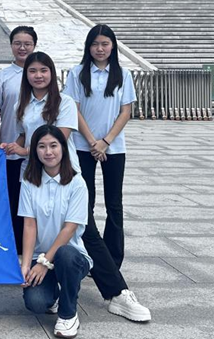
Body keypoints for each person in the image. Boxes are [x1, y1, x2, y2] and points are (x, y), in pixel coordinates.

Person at [65, 25, 151, 322]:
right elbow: (74, 109)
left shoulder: (122, 74)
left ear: (113, 46)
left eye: (105, 44)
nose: (100, 49)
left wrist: (106, 141)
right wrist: (92, 141)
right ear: (88, 47)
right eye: (95, 44)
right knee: (84, 205)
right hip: (82, 145)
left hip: (113, 147)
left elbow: (126, 111)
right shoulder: (77, 73)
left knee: (114, 204)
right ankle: (91, 257)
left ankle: (113, 261)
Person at [19, 125, 92, 339]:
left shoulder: (77, 183)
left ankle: (68, 315)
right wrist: (26, 265)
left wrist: (44, 263)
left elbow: (69, 229)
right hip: (40, 255)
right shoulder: (29, 181)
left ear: (63, 148)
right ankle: (56, 295)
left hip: (71, 257)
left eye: (53, 145)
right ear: (35, 151)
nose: (48, 152)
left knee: (65, 254)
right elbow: (29, 225)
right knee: (36, 303)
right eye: (42, 146)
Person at [1, 51, 80, 180]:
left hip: (61, 170)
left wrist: (26, 151)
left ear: (51, 73)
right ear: (26, 75)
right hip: (32, 170)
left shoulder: (65, 102)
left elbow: (61, 138)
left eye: (43, 70)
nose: (38, 75)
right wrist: (11, 147)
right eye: (32, 71)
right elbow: (24, 135)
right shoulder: (20, 105)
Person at [0, 26, 38, 253]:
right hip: (11, 148)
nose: (22, 48)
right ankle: (14, 248)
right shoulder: (3, 76)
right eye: (17, 43)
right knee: (12, 199)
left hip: (39, 152)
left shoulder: (41, 73)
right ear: (11, 45)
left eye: (27, 43)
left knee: (34, 201)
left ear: (34, 45)